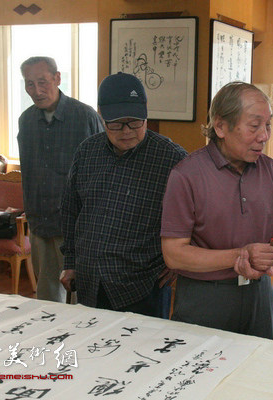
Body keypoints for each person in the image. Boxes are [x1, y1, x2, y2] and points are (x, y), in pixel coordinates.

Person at [160, 81, 273, 339]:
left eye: (268, 125)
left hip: (258, 293)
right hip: (205, 297)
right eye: (254, 126)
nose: (264, 136)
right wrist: (241, 256)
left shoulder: (271, 170)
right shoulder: (186, 175)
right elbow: (173, 254)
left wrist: (262, 261)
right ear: (221, 126)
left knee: (253, 373)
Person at [60, 72, 187, 318]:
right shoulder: (87, 151)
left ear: (146, 112)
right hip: (90, 281)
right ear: (100, 114)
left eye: (135, 121)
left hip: (142, 285)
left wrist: (180, 260)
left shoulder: (172, 158)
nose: (126, 131)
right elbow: (70, 209)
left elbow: (197, 215)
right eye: (116, 123)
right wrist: (71, 262)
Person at [18, 56, 104, 302]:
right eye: (30, 84)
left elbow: (98, 175)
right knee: (45, 297)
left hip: (74, 227)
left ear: (57, 78)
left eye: (42, 82)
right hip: (39, 221)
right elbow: (28, 174)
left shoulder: (84, 117)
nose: (37, 91)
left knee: (77, 298)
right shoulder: (26, 121)